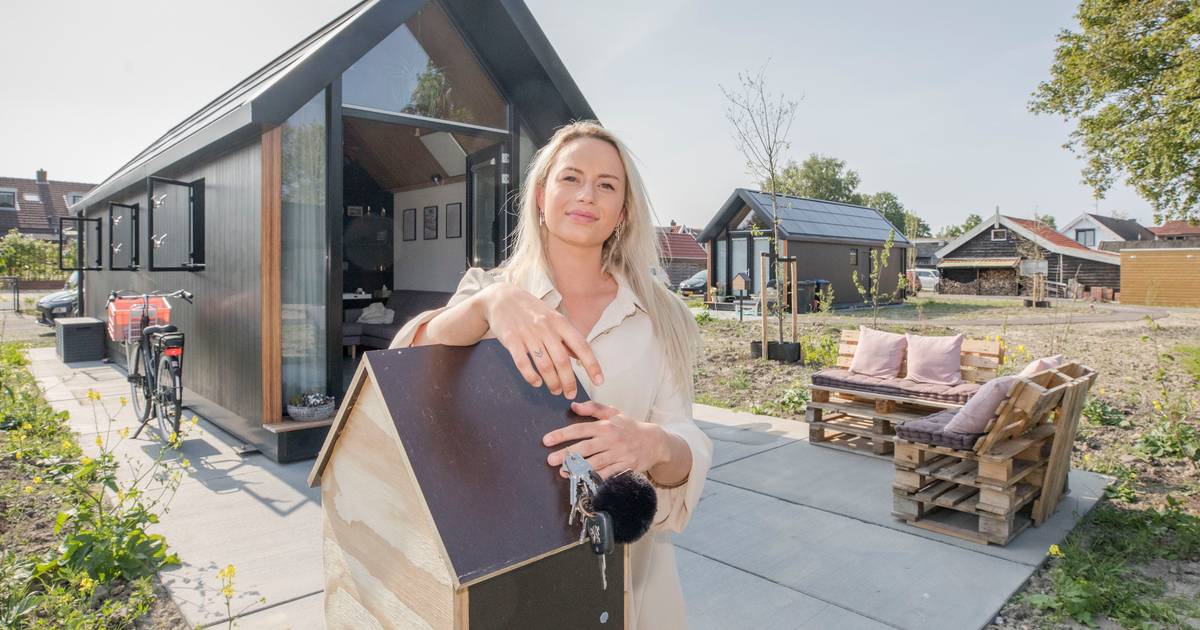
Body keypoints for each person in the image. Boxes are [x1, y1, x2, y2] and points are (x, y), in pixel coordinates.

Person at [389, 121, 711, 628]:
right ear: (541, 195)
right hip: (504, 569)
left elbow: (683, 440)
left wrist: (654, 445)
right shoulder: (488, 291)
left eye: (607, 185)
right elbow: (405, 366)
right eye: (571, 178)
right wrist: (488, 306)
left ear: (623, 212)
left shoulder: (663, 315)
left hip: (626, 576)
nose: (587, 195)